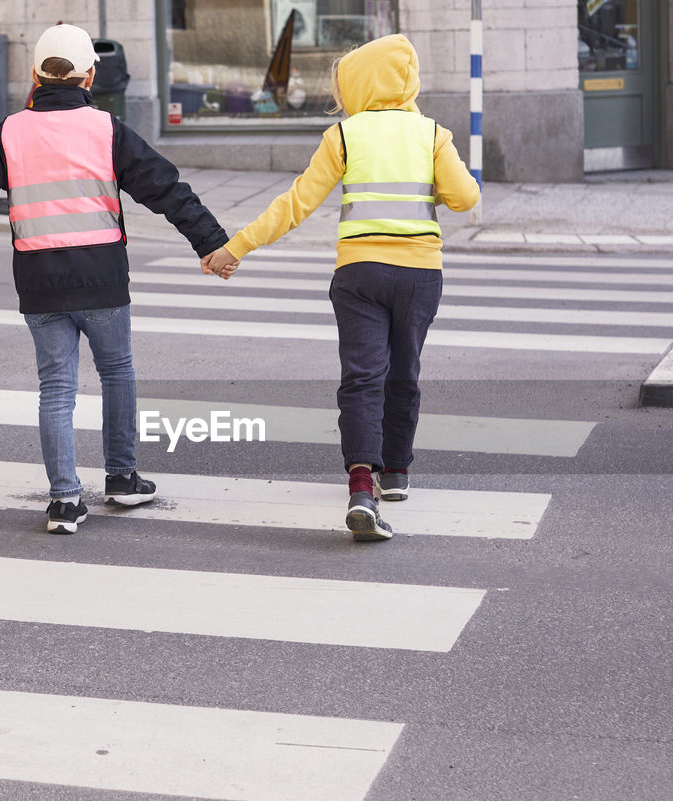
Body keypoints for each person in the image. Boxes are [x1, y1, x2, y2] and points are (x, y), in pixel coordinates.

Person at [0, 24, 232, 535]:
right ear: (90, 74)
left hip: (39, 282)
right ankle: (121, 477)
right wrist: (212, 244)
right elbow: (165, 188)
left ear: (35, 75)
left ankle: (64, 500)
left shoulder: (10, 131)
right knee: (117, 374)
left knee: (56, 390)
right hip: (102, 277)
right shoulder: (107, 129)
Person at [204, 34, 479, 542]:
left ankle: (361, 485)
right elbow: (465, 198)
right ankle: (396, 472)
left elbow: (295, 204)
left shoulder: (344, 135)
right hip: (420, 273)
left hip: (359, 275)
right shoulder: (432, 134)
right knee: (405, 373)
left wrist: (235, 247)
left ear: (358, 82)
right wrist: (434, 188)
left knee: (361, 379)